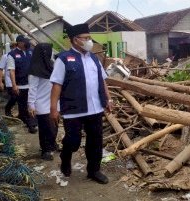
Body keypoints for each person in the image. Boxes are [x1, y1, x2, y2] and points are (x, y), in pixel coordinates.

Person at [50, 23, 112, 184]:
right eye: (85, 38)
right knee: (73, 141)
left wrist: (108, 99)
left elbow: (102, 80)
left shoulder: (93, 58)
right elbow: (57, 84)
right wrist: (53, 108)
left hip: (95, 108)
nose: (89, 41)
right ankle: (66, 156)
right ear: (75, 40)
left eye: (89, 37)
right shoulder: (64, 59)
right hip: (73, 109)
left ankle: (94, 170)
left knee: (95, 141)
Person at [28, 43, 58, 160]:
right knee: (46, 127)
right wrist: (31, 104)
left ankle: (52, 144)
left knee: (54, 126)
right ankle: (45, 150)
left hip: (53, 101)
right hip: (41, 102)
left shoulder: (51, 65)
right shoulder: (35, 69)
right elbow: (32, 88)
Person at [6, 35, 37, 133]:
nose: (27, 43)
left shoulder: (31, 51)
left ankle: (32, 123)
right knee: (23, 106)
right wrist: (14, 85)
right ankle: (29, 124)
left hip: (32, 84)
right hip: (21, 85)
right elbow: (12, 71)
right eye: (25, 41)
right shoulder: (12, 54)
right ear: (19, 42)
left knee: (32, 105)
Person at [0, 42, 18, 116]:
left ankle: (21, 114)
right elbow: (0, 69)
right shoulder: (5, 56)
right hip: (9, 82)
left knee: (19, 98)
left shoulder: (20, 55)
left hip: (19, 82)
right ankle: (7, 109)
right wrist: (0, 82)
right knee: (14, 97)